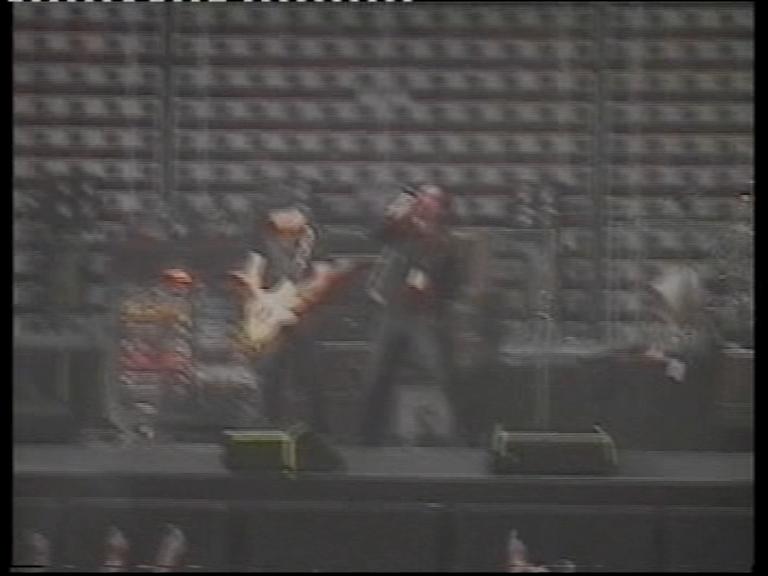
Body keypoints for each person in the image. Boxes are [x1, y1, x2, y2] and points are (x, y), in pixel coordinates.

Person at [359, 183, 462, 446]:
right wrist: (398, 210)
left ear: (441, 208)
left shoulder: (444, 240)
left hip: (422, 315)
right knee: (378, 372)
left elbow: (449, 281)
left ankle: (456, 431)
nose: (425, 202)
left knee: (438, 370)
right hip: (392, 309)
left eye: (431, 199)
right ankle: (369, 435)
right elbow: (377, 233)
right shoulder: (402, 227)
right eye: (422, 197)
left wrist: (436, 303)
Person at [238, 185, 330, 433]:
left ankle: (318, 426)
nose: (287, 219)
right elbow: (252, 273)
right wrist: (262, 300)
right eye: (280, 214)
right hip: (270, 310)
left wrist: (301, 301)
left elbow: (322, 276)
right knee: (270, 370)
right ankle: (269, 422)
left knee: (311, 370)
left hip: (303, 312)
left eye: (293, 214)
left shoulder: (314, 238)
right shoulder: (262, 236)